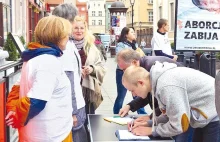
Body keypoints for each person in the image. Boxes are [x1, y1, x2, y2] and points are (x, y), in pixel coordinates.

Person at [5, 16, 73, 142]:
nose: (68, 38)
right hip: (51, 136)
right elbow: (36, 100)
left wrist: (14, 110)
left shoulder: (34, 58)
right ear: (57, 36)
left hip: (36, 134)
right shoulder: (48, 62)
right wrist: (16, 115)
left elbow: (17, 88)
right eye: (67, 35)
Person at [122, 63, 219, 142]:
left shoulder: (166, 86)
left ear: (141, 83)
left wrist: (152, 130)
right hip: (205, 112)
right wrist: (150, 123)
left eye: (132, 90)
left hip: (214, 113)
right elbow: (171, 113)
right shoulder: (159, 82)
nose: (133, 95)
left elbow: (179, 125)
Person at [52, 4, 88, 142]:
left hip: (75, 104)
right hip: (73, 108)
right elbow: (69, 81)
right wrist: (72, 113)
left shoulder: (67, 42)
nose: (74, 25)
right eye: (73, 21)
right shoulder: (64, 46)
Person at [71, 15, 106, 138]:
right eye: (76, 28)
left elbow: (101, 67)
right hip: (71, 93)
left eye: (81, 28)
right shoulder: (66, 46)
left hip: (87, 92)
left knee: (87, 123)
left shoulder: (92, 48)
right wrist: (76, 72)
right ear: (71, 29)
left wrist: (92, 69)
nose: (79, 31)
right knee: (72, 124)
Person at [114, 27, 146, 114]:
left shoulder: (135, 45)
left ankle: (142, 113)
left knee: (137, 93)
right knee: (121, 95)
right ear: (126, 35)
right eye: (132, 32)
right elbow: (120, 57)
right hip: (122, 72)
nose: (134, 34)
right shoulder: (121, 44)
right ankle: (117, 113)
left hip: (134, 71)